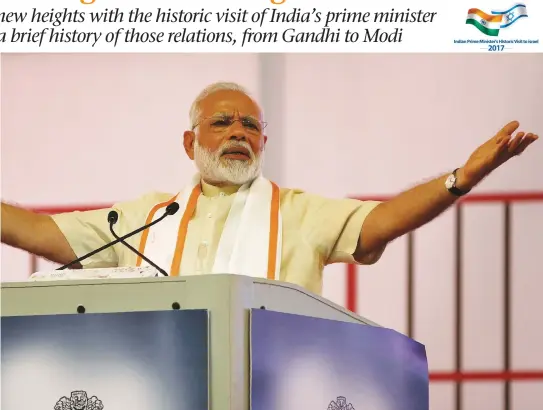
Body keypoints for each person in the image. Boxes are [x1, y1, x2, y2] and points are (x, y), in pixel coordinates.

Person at [1, 82, 538, 295]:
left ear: (264, 141)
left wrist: (460, 181)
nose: (240, 132)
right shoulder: (149, 216)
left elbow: (384, 220)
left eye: (251, 126)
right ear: (190, 144)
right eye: (224, 122)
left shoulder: (299, 214)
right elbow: (39, 232)